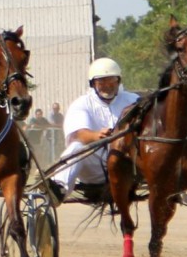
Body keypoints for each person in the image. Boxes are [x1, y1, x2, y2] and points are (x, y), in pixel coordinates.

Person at [48, 58, 140, 202]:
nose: (107, 86)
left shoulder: (134, 101)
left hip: (128, 165)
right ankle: (59, 189)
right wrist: (95, 135)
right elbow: (76, 134)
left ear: (118, 81)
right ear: (92, 83)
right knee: (77, 147)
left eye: (111, 81)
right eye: (101, 82)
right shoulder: (82, 104)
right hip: (96, 166)